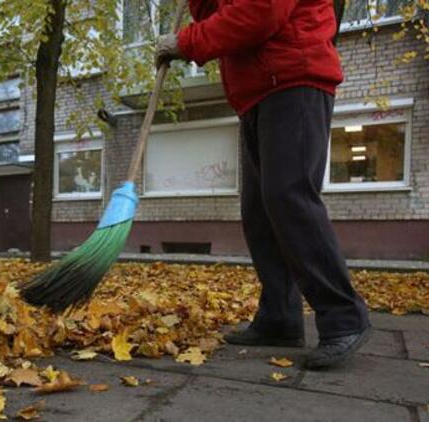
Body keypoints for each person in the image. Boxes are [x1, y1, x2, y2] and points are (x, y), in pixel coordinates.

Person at [156, 0, 371, 369]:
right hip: (257, 91)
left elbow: (260, 12)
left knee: (289, 196)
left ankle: (344, 317)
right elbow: (216, 15)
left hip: (294, 79)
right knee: (259, 211)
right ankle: (280, 317)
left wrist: (185, 43)